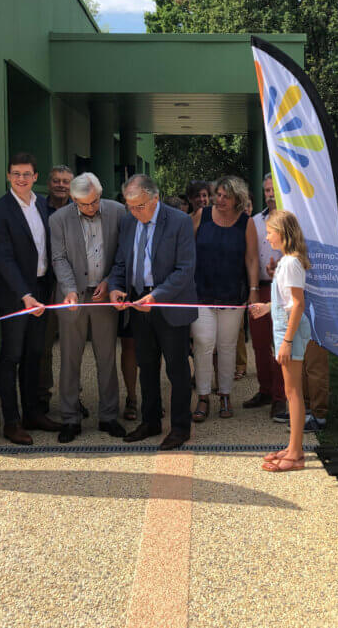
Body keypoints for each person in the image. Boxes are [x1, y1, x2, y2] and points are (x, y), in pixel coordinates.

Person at [109, 174, 197, 450]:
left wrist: (156, 296)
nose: (135, 212)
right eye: (130, 206)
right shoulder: (127, 222)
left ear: (154, 198)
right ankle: (150, 421)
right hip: (137, 304)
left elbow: (185, 269)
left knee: (177, 369)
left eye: (139, 206)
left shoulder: (179, 221)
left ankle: (180, 428)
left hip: (169, 304)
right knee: (146, 366)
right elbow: (120, 263)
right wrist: (114, 287)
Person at [0, 152, 63, 446]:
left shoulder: (44, 205)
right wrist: (24, 295)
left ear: (35, 177)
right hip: (15, 294)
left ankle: (33, 413)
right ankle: (11, 421)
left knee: (35, 354)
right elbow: (4, 258)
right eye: (15, 173)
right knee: (12, 356)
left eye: (26, 174)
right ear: (8, 176)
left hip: (43, 290)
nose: (21, 178)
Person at [50, 172, 127, 443]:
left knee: (107, 358)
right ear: (73, 200)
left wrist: (109, 282)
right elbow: (58, 258)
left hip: (103, 295)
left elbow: (122, 253)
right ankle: (70, 418)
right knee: (70, 359)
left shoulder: (118, 211)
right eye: (85, 204)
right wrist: (69, 289)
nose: (92, 208)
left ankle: (108, 416)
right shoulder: (58, 219)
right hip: (72, 296)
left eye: (95, 201)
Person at [249, 211, 312, 472]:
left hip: (291, 332)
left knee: (293, 393)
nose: (266, 236)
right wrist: (267, 306)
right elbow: (287, 300)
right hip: (286, 330)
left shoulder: (291, 263)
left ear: (282, 233)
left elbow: (298, 304)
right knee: (290, 392)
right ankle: (292, 446)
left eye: (270, 231)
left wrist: (286, 341)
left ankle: (296, 454)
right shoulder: (286, 262)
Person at [191, 176, 254, 421]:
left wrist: (253, 290)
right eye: (218, 194)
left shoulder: (245, 223)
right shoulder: (202, 216)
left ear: (239, 199)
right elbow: (185, 247)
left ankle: (225, 394)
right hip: (201, 292)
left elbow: (250, 258)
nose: (220, 200)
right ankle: (203, 396)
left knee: (227, 346)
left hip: (232, 294)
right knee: (204, 343)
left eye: (226, 196)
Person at [243, 174, 287, 422]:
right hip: (258, 287)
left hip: (282, 290)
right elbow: (249, 256)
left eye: (274, 190)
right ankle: (266, 390)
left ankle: (281, 397)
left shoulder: (291, 220)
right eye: (267, 189)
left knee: (279, 344)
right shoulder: (255, 221)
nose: (270, 194)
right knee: (259, 344)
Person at [39, 165, 75, 413]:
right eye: (56, 181)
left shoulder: (80, 209)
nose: (61, 185)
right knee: (43, 346)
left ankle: (73, 398)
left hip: (74, 287)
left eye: (65, 181)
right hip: (46, 287)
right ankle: (43, 397)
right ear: (48, 183)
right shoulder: (38, 210)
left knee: (73, 347)